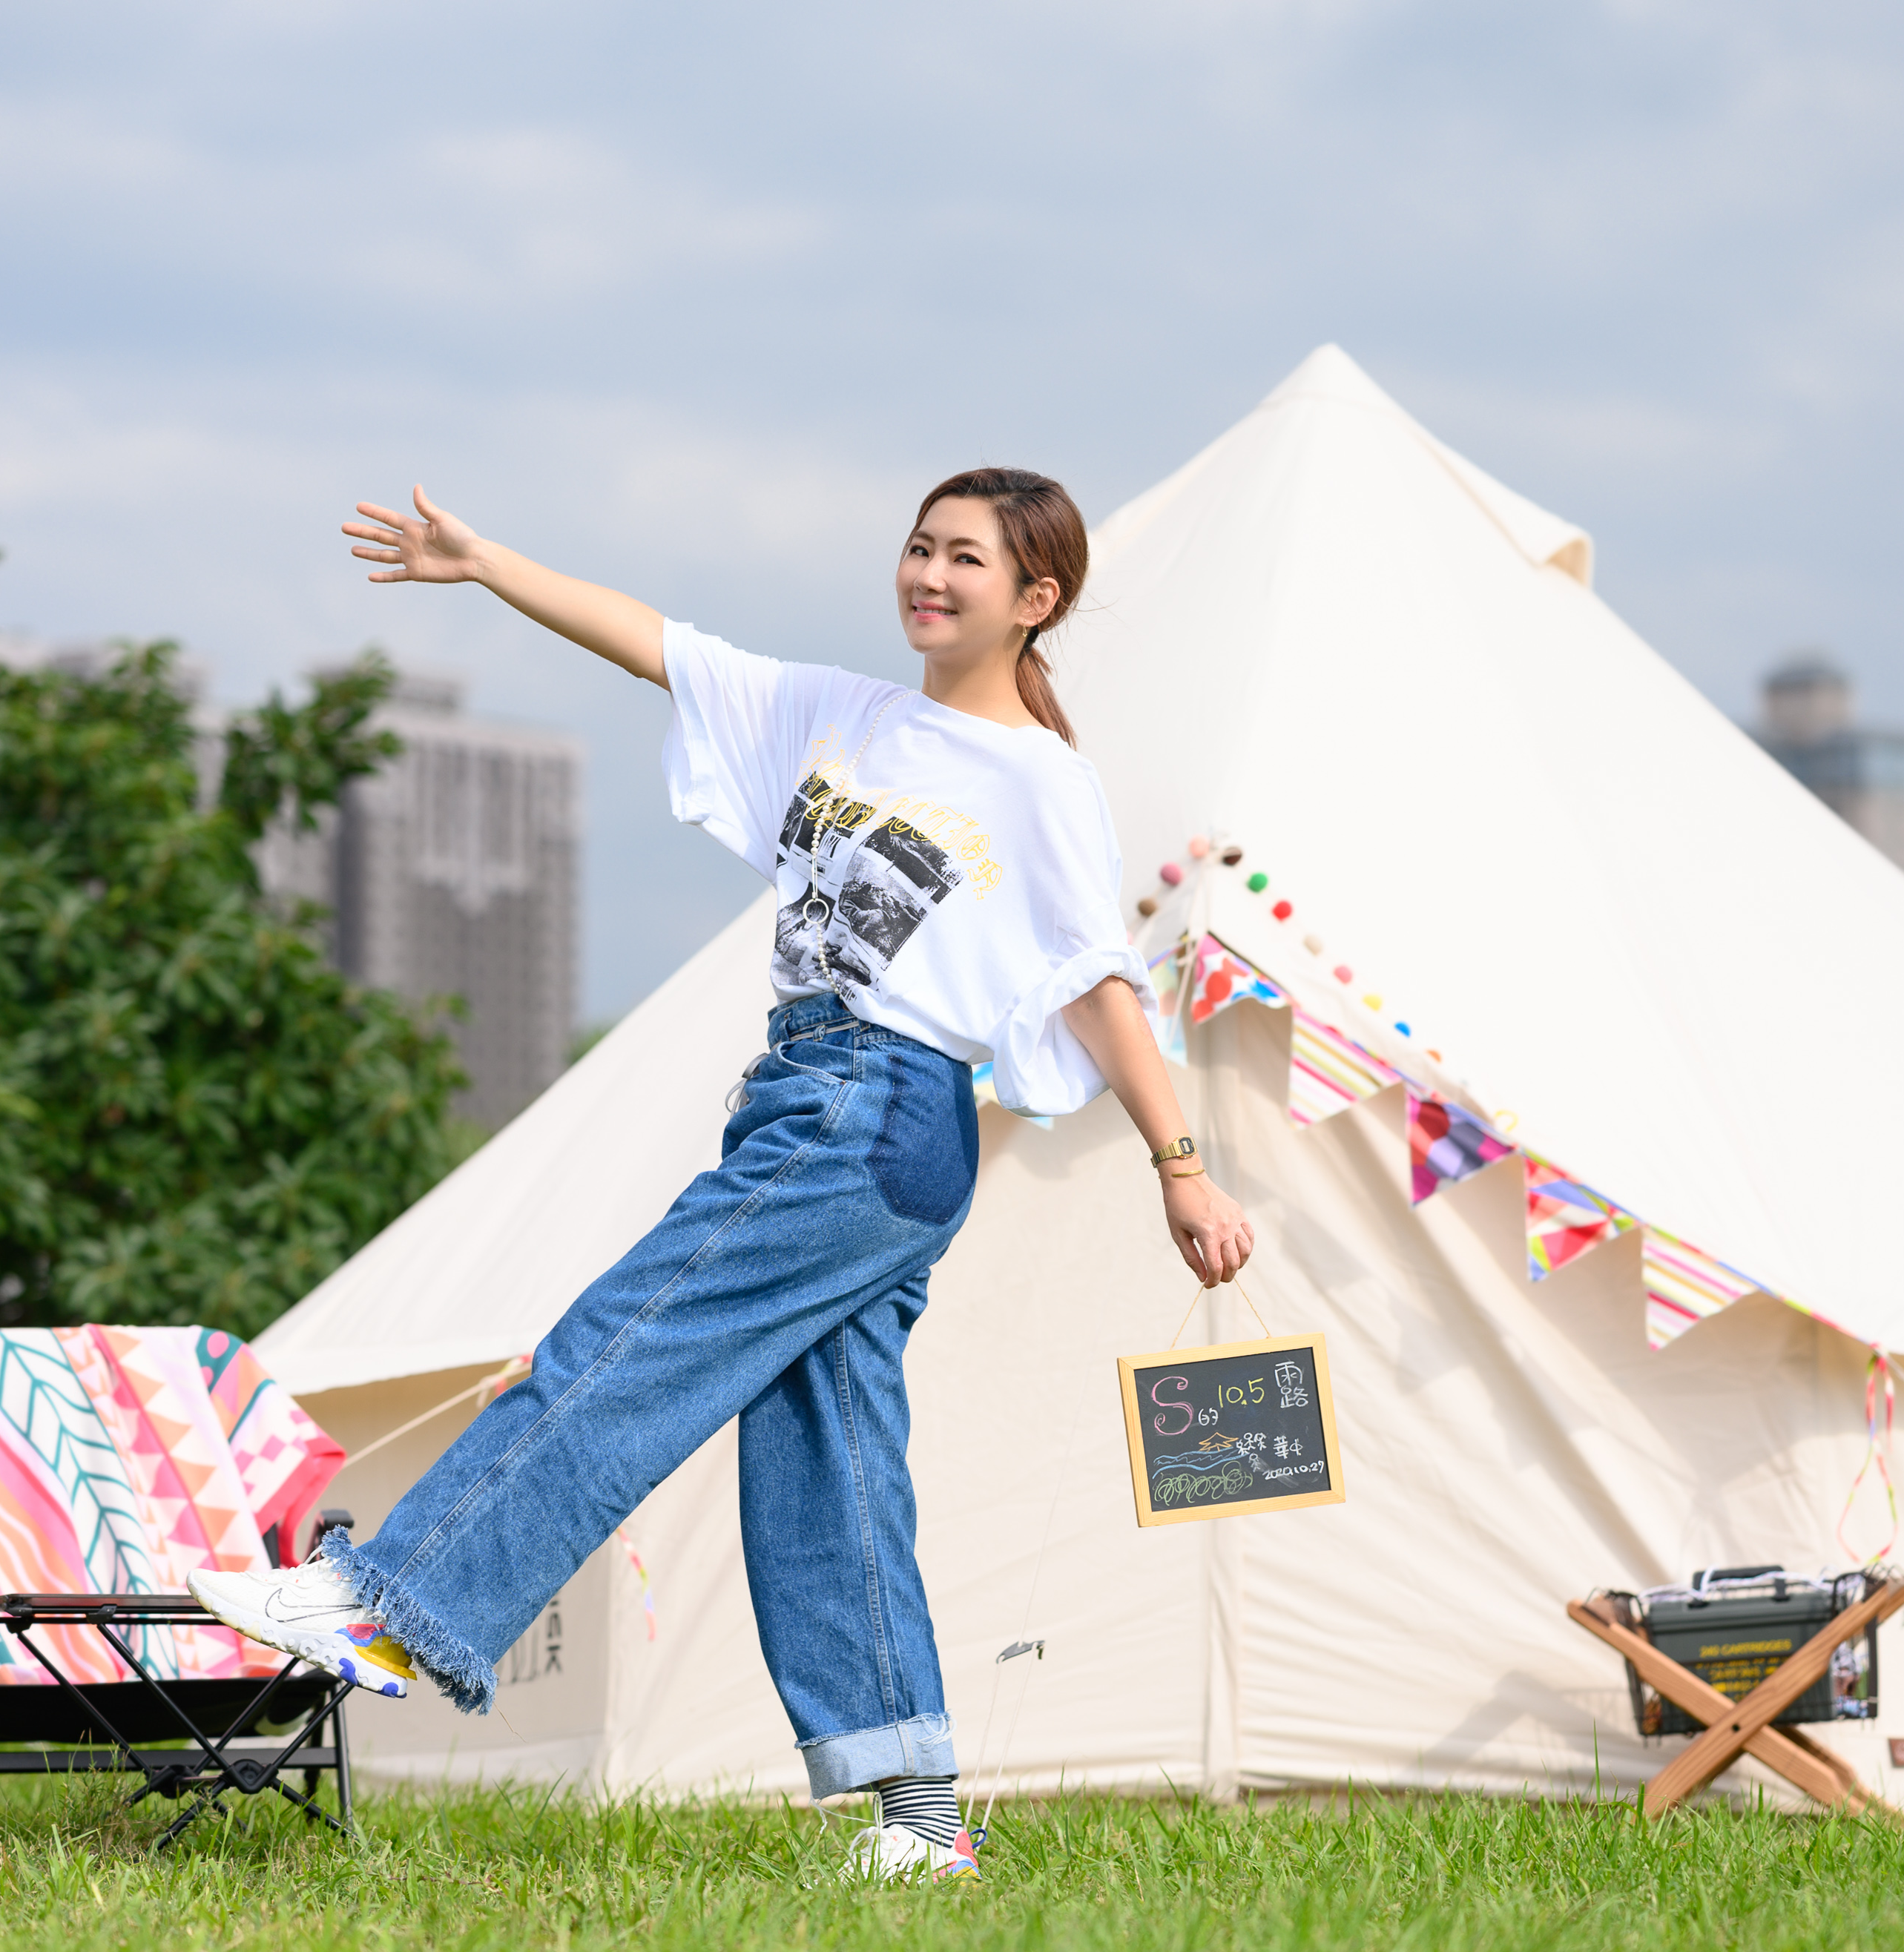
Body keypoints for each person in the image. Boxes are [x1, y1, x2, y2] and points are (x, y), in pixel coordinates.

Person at [191, 467, 1256, 1881]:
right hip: (813, 1097)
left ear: (1034, 600)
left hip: (876, 1108)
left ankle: (395, 1598)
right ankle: (920, 1815)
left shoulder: (1041, 778)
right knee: (831, 1459)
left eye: (967, 561)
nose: (928, 576)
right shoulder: (841, 713)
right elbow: (655, 642)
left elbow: (1099, 982)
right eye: (919, 547)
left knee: (631, 1341)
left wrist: (1181, 1167)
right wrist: (483, 559)